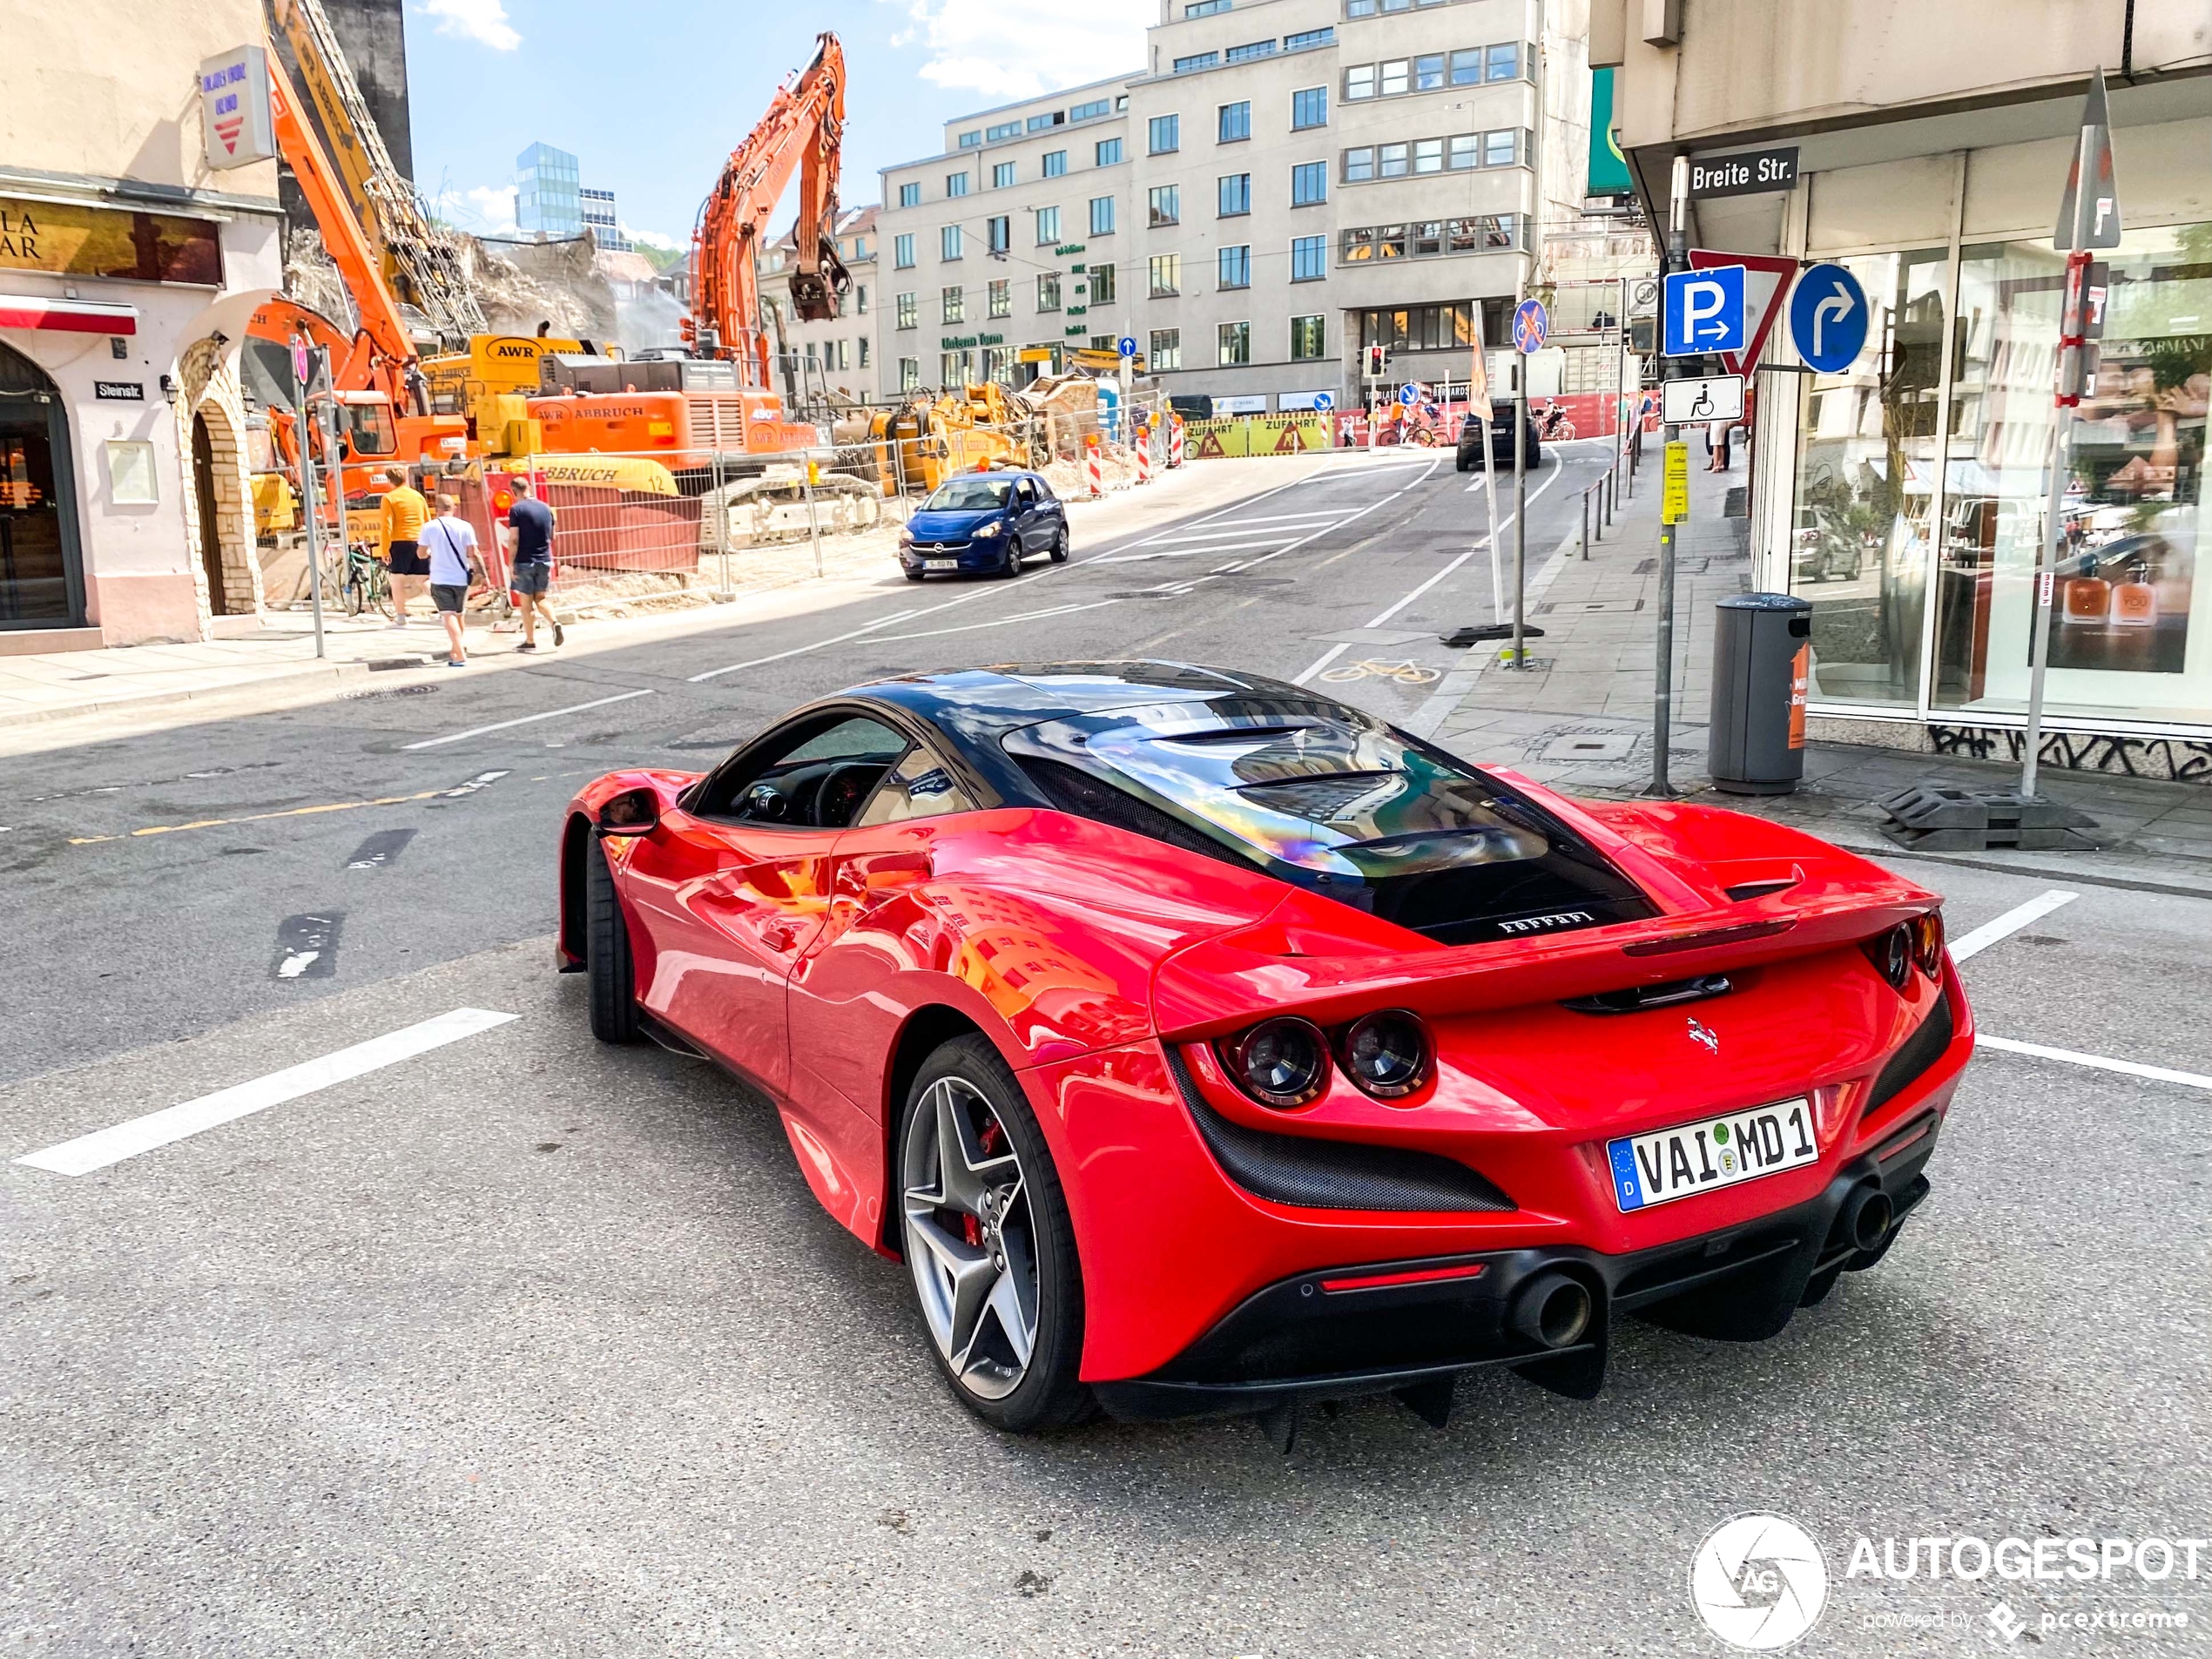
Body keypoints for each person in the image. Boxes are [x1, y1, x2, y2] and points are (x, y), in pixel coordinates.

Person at [501, 475, 565, 652]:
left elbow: (514, 539)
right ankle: (555, 622)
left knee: (526, 603)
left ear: (514, 492)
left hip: (524, 561)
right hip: (544, 559)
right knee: (541, 598)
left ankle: (530, 641)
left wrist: (511, 563)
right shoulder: (546, 508)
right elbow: (553, 536)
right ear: (528, 488)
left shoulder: (516, 510)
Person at [419, 494, 481, 667]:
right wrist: (483, 575)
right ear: (454, 507)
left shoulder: (429, 527)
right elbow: (473, 553)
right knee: (459, 614)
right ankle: (457, 649)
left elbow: (421, 554)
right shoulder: (465, 526)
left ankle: (460, 654)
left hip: (440, 578)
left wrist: (431, 552)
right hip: (461, 577)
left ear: (436, 509)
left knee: (448, 615)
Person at [377, 467, 428, 626]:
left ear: (389, 480)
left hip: (399, 542)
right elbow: (426, 520)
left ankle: (401, 617)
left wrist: (384, 549)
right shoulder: (418, 496)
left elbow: (387, 526)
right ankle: (445, 610)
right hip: (419, 539)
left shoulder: (389, 498)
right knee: (424, 580)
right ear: (406, 478)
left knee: (397, 580)